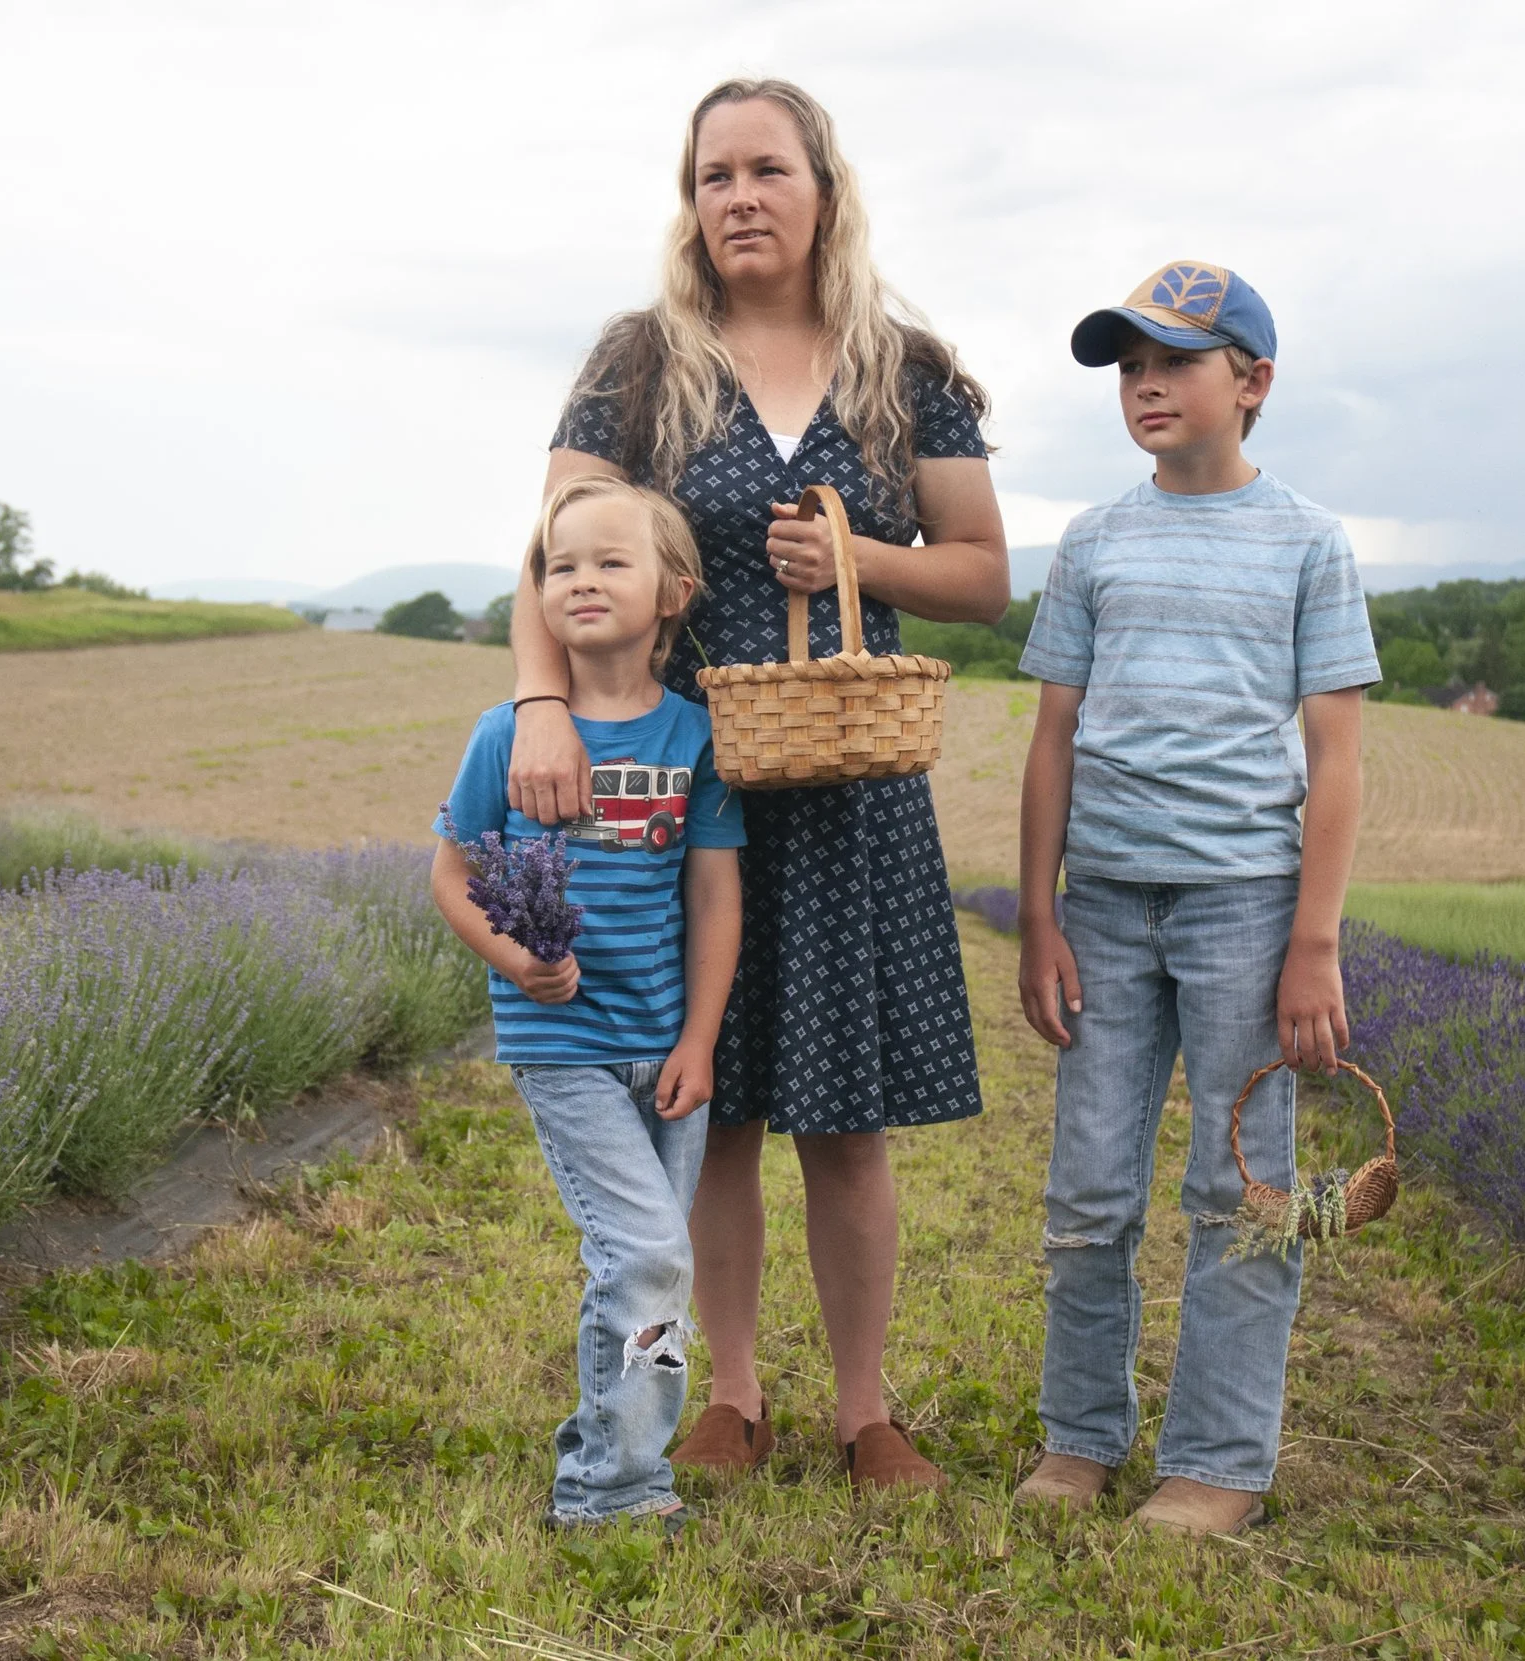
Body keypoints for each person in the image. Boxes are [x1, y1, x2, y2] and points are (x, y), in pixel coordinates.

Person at [506, 78, 1009, 1490]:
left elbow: (981, 574)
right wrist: (542, 707)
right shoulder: (640, 363)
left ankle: (866, 1411)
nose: (737, 196)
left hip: (851, 788)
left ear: (822, 192)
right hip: (679, 785)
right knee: (706, 1102)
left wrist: (860, 563)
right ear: (693, 202)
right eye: (712, 175)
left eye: (765, 170)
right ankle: (730, 1394)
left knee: (845, 1120)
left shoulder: (907, 368)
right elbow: (546, 554)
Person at [1011, 262, 1380, 1533]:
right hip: (1104, 904)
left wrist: (1311, 942)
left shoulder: (1307, 543)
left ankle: (1218, 1461)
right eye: (1129, 367)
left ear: (1253, 382)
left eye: (1175, 361)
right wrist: (1042, 913)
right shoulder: (1094, 541)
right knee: (1088, 1187)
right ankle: (1079, 1437)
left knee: (1240, 1189)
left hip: (1243, 907)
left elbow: (1334, 759)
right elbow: (1052, 737)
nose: (1146, 385)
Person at [432, 476, 744, 1530]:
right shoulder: (504, 736)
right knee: (647, 1252)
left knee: (649, 1260)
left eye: (611, 560)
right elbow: (451, 874)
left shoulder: (693, 739)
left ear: (674, 592)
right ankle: (613, 1491)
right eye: (561, 565)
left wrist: (699, 1038)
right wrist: (516, 960)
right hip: (560, 1042)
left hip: (663, 1050)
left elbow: (711, 893)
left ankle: (609, 1449)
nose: (582, 580)